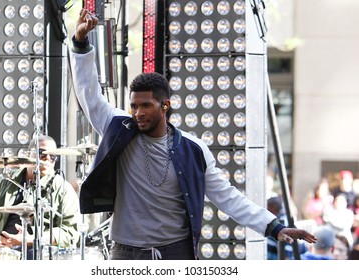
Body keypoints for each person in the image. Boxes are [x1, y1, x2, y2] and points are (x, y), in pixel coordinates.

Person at [69, 9, 317, 260]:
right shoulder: (119, 130)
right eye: (134, 106)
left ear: (164, 106)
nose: (137, 113)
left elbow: (226, 196)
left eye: (146, 106)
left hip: (176, 252)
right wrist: (81, 43)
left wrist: (273, 226)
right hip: (125, 251)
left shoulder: (192, 149)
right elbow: (89, 94)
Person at [0, 135, 80, 260]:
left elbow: (71, 232)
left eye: (53, 157)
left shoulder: (63, 189)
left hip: (40, 256)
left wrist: (32, 239)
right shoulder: (4, 181)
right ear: (28, 154)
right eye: (42, 153)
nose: (47, 159)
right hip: (2, 253)